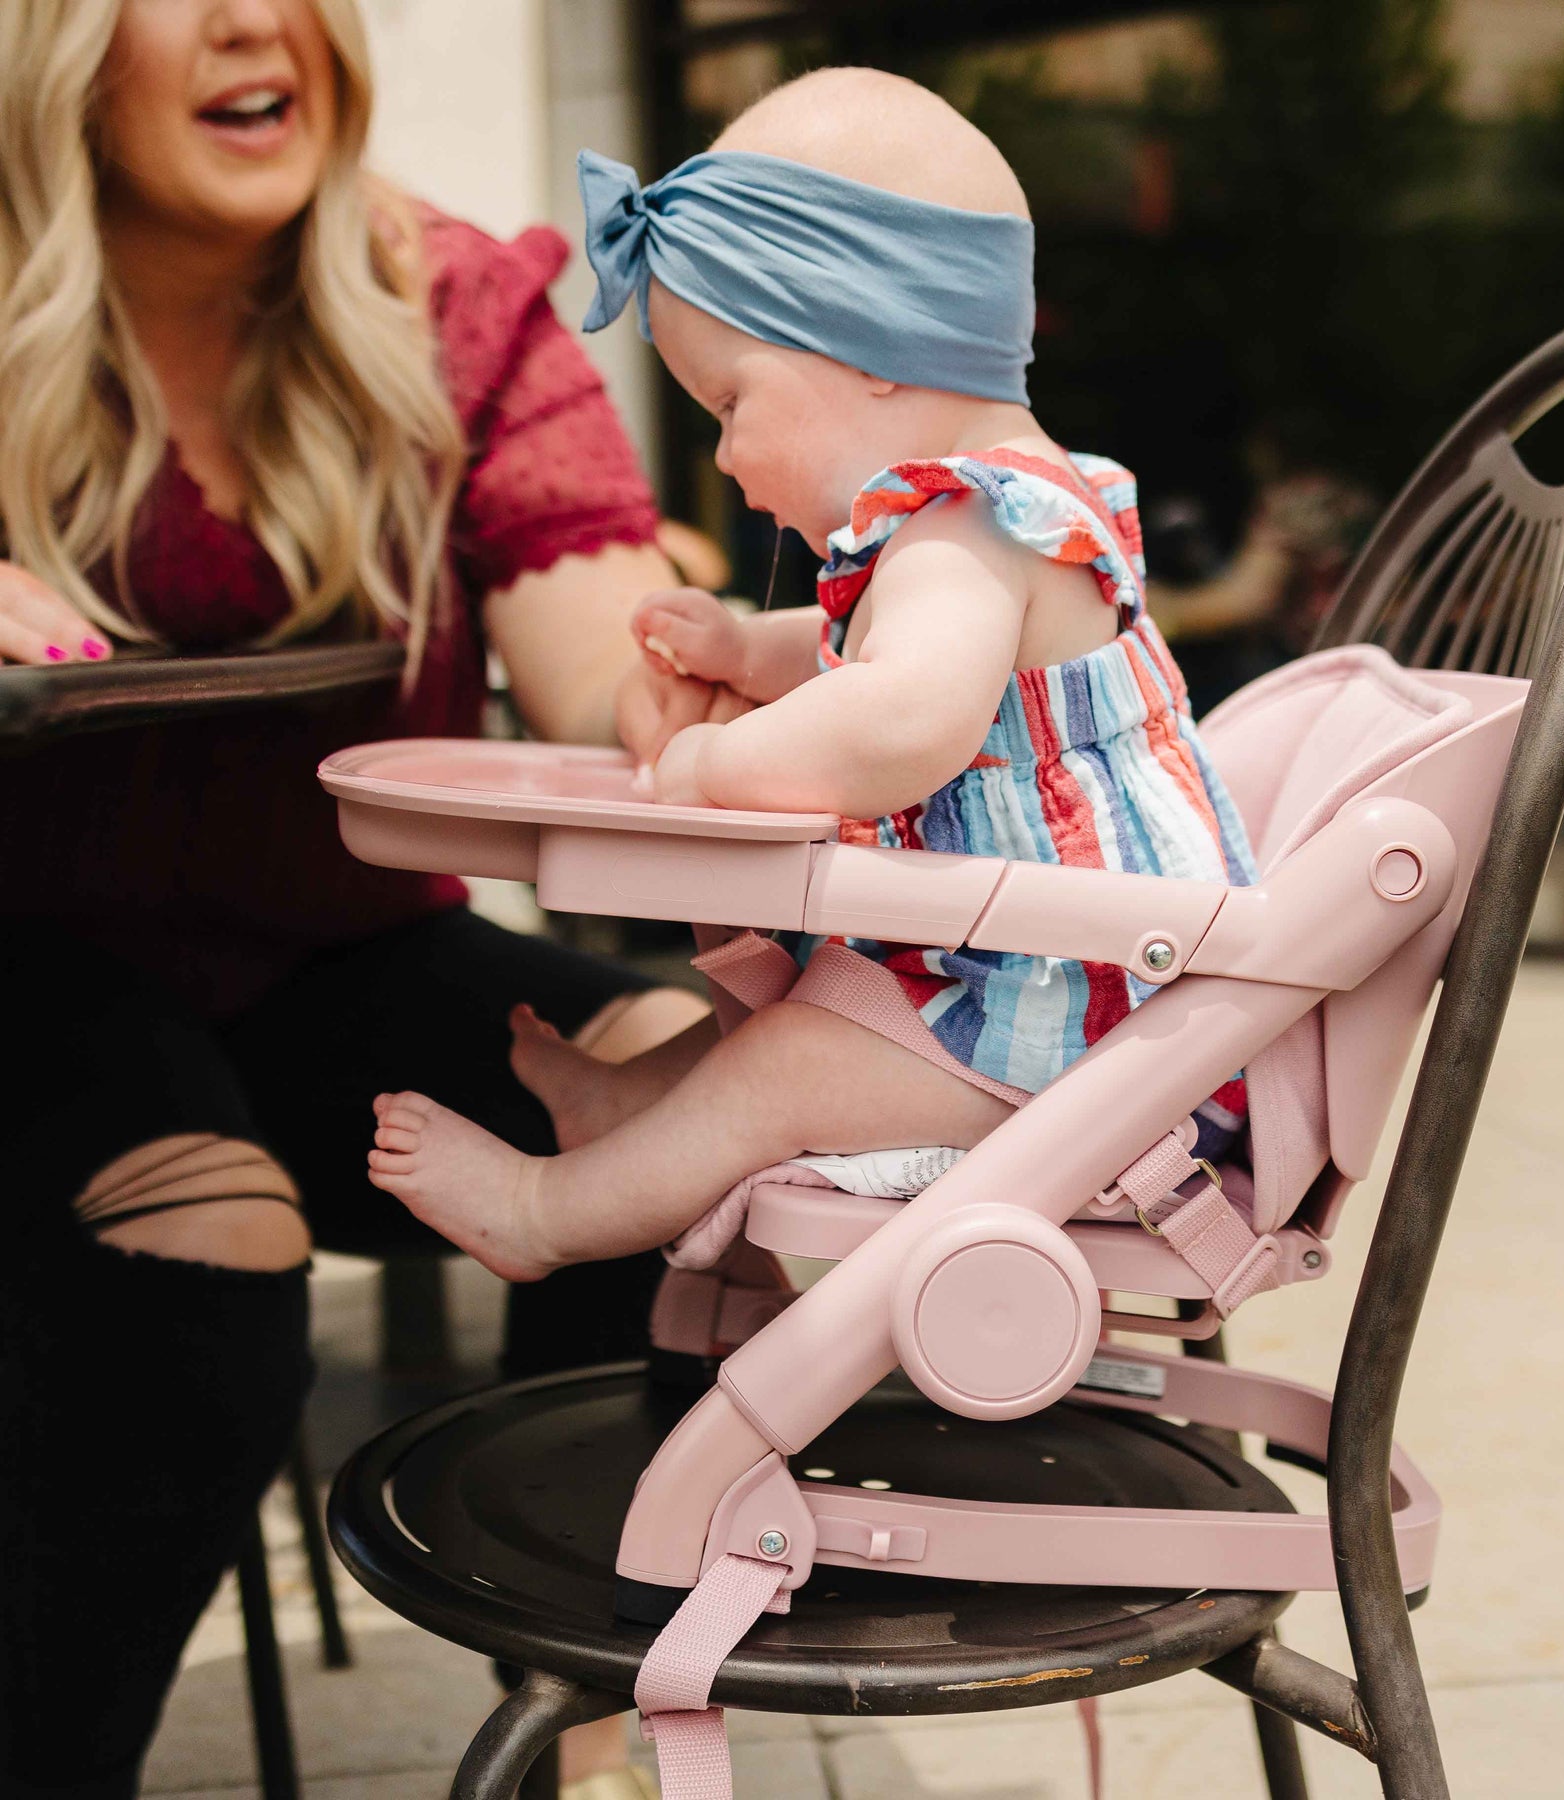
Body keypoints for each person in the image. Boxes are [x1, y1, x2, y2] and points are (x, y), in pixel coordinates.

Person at [0, 4, 724, 1793]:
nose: (257, 21)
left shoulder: (453, 301)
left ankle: (584, 1735)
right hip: (31, 971)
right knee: (201, 1240)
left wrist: (696, 684)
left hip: (340, 957)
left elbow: (593, 652)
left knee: (695, 1102)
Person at [361, 68, 1257, 1285]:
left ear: (871, 344)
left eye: (729, 403)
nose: (726, 457)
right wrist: (748, 651)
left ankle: (544, 1212)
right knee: (814, 1007)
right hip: (1059, 1003)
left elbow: (902, 717)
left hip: (1102, 1055)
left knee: (796, 1061)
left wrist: (714, 761)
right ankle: (622, 1109)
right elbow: (885, 655)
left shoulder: (975, 523)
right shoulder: (993, 522)